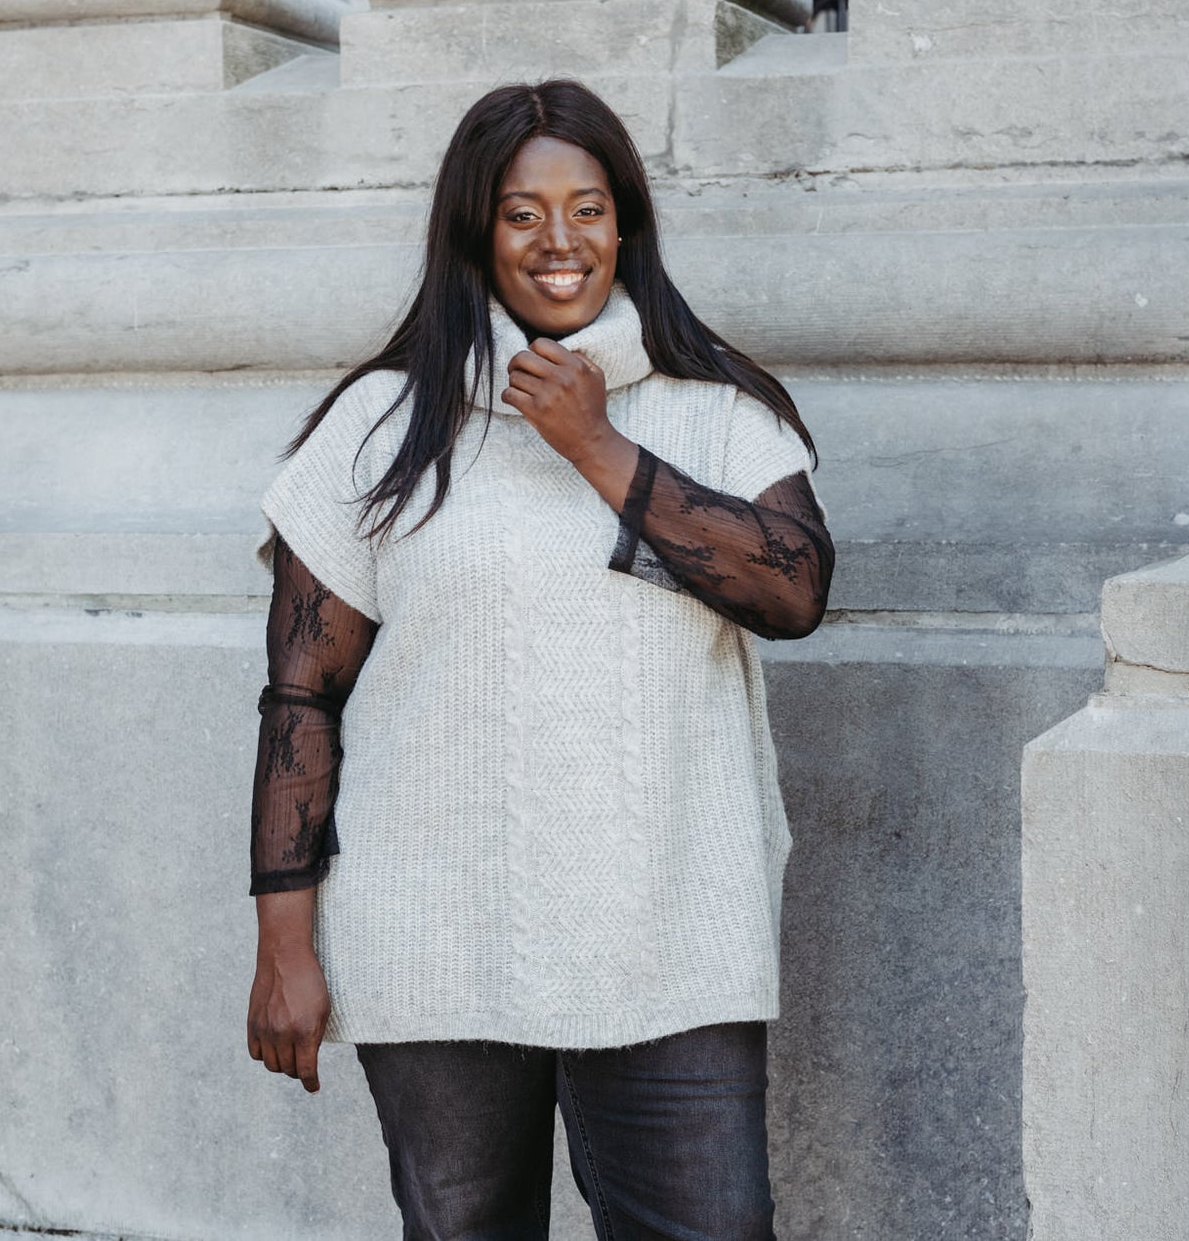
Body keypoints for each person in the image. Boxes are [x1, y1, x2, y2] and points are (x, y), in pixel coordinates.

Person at [245, 78, 833, 1240]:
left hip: (668, 935)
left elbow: (793, 591)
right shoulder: (382, 425)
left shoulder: (717, 411)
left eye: (587, 208)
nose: (559, 240)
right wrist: (283, 946)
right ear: (474, 231)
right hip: (436, 932)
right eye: (521, 213)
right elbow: (301, 697)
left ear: (625, 226)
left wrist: (596, 444)